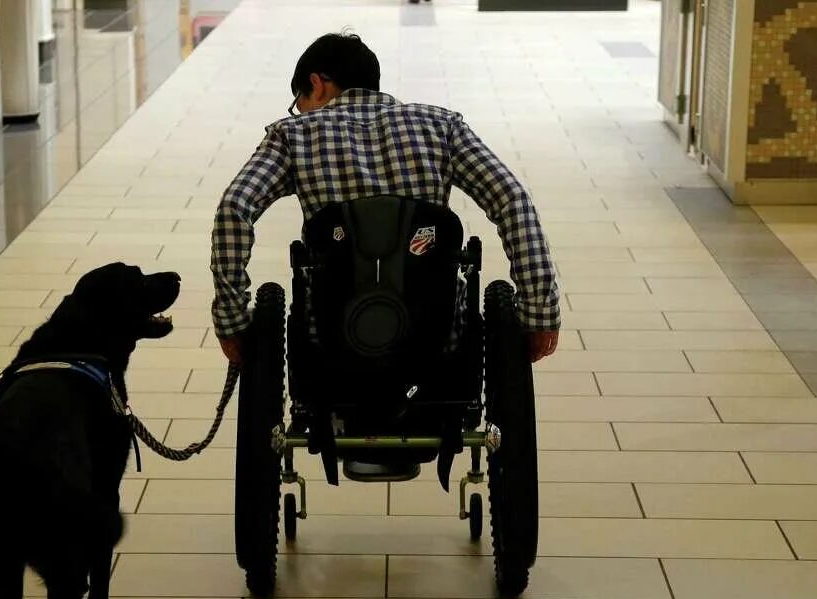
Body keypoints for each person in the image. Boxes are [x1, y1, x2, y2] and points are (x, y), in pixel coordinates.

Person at [209, 32, 561, 367]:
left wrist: (232, 320)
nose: (299, 113)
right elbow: (512, 201)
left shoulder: (292, 135)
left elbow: (234, 209)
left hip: (330, 341)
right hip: (437, 337)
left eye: (298, 103)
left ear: (316, 84)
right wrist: (538, 311)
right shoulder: (442, 126)